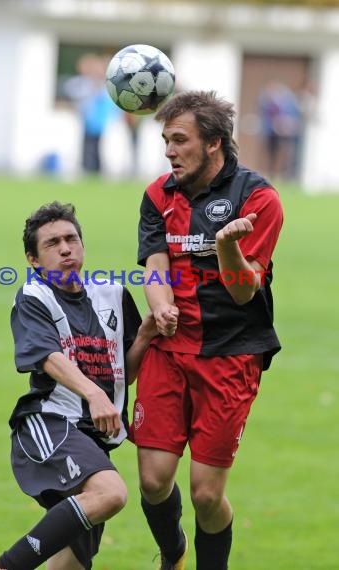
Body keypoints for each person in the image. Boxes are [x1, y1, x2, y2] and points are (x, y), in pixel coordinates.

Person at [131, 90, 283, 570]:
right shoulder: (158, 194)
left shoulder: (258, 199)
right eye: (166, 141)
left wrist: (227, 248)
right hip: (169, 349)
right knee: (154, 481)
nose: (169, 151)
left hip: (230, 354)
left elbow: (244, 291)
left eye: (180, 140)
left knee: (205, 494)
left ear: (214, 142)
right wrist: (160, 306)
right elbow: (155, 264)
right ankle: (173, 554)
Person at [0, 201, 157, 570]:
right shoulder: (34, 295)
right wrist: (92, 393)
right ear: (33, 260)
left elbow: (121, 373)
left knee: (70, 565)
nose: (65, 248)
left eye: (71, 239)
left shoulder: (114, 295)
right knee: (110, 493)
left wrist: (146, 336)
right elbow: (46, 356)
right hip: (49, 423)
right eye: (52, 243)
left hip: (92, 440)